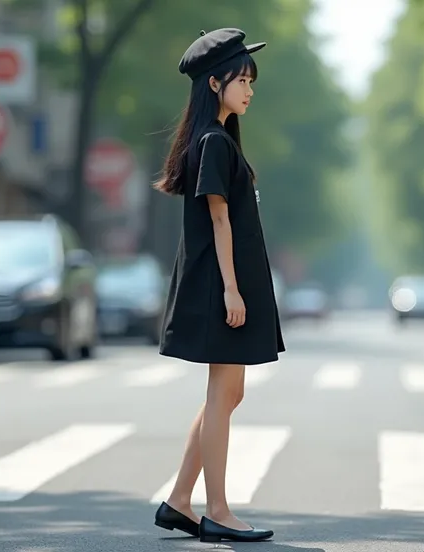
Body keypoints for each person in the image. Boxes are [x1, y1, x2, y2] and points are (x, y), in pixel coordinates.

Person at [151, 28, 285, 543]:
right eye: (241, 80)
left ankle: (180, 501)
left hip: (229, 282)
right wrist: (232, 290)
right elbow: (219, 222)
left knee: (228, 395)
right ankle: (218, 511)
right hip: (219, 284)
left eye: (252, 80)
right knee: (222, 391)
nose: (250, 89)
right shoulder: (212, 143)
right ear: (214, 84)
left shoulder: (220, 140)